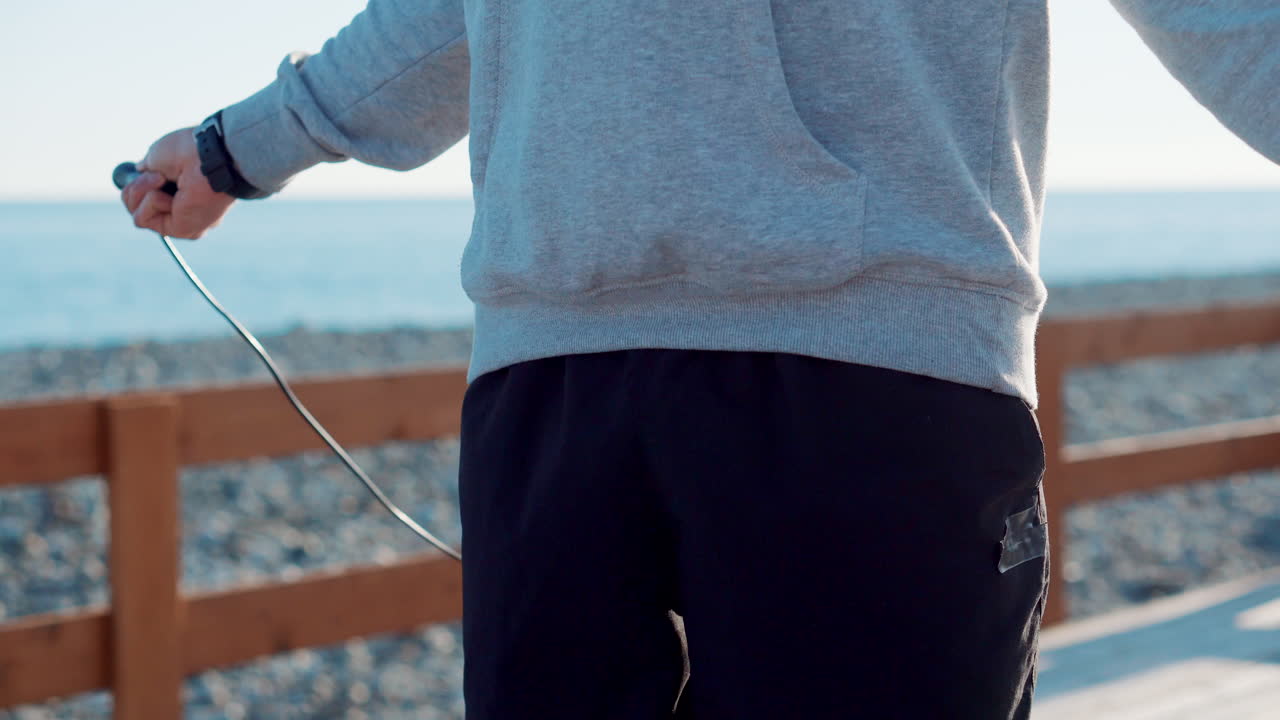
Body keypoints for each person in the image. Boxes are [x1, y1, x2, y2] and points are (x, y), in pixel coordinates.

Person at [120, 1, 1279, 717]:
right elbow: (452, 14)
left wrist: (236, 148)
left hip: (870, 369)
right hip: (560, 376)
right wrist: (235, 148)